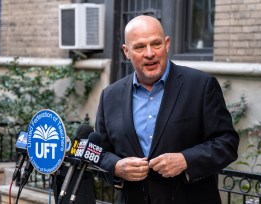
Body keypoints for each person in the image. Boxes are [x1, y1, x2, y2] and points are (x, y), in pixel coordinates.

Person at [95, 15, 239, 204]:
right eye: (139, 47)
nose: (149, 53)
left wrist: (185, 160)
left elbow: (226, 143)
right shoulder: (110, 96)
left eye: (156, 44)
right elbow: (98, 152)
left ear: (167, 44)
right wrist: (115, 167)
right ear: (126, 52)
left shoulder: (201, 85)